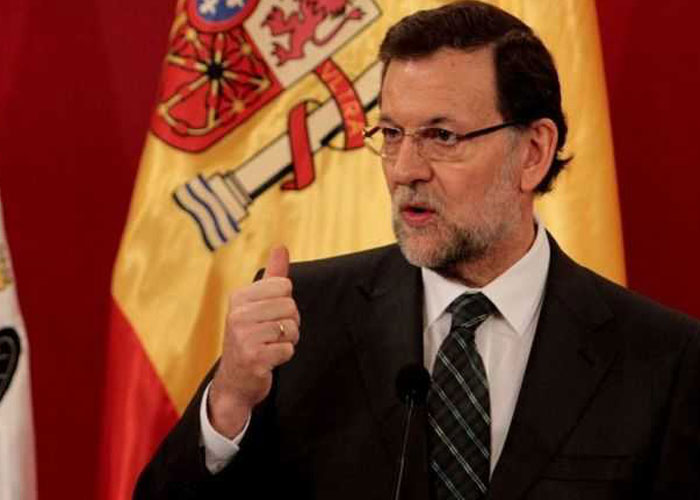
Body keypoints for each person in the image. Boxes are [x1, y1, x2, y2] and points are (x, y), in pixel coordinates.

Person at [134, 1, 700, 498]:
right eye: (390, 134)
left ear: (533, 152)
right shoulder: (300, 320)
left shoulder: (662, 359)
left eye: (442, 136)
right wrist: (229, 401)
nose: (405, 169)